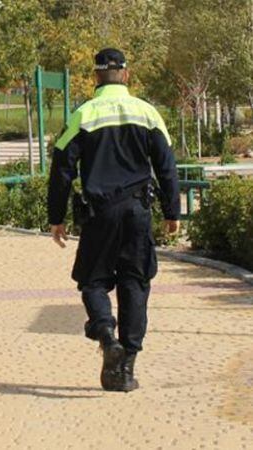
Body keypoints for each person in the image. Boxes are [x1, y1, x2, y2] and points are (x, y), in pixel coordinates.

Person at [47, 49, 180, 392]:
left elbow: (62, 168)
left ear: (95, 77)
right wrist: (172, 211)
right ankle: (127, 369)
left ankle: (107, 336)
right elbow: (166, 164)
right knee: (135, 283)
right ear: (126, 74)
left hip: (99, 213)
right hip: (137, 212)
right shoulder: (147, 113)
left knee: (92, 281)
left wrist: (56, 217)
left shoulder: (84, 113)